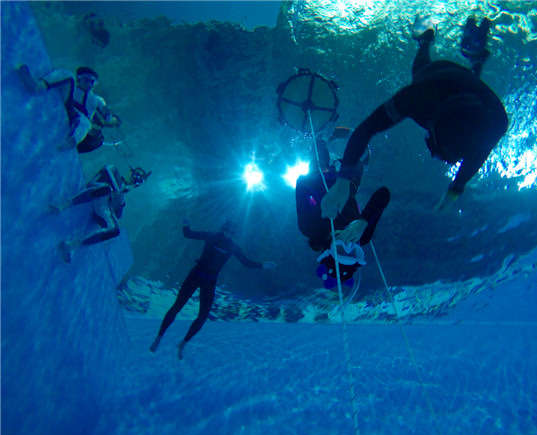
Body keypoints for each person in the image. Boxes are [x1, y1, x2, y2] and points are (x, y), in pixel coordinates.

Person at [321, 16, 508, 218]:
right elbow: (366, 129)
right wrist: (342, 181)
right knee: (420, 69)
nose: (435, 157)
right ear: (432, 126)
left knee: (470, 81)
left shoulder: (494, 126)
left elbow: (476, 157)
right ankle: (426, 40)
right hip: (435, 75)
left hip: (474, 92)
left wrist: (455, 190)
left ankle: (472, 59)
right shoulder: (416, 98)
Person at [149, 219, 277, 359]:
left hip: (209, 282)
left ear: (234, 232)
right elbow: (189, 234)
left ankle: (183, 344)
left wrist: (263, 265)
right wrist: (185, 225)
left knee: (203, 317)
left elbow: (246, 262)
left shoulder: (233, 246)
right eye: (227, 228)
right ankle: (159, 338)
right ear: (223, 228)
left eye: (231, 230)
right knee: (177, 307)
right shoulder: (211, 236)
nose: (228, 231)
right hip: (196, 275)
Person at [296, 126, 390, 288]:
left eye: (340, 250)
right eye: (353, 252)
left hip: (319, 177)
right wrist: (363, 222)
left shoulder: (309, 228)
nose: (348, 245)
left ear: (329, 249)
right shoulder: (362, 236)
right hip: (350, 183)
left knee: (318, 152)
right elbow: (384, 194)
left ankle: (321, 138)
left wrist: (327, 188)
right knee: (359, 162)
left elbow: (300, 183)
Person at [50, 165, 151, 262]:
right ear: (130, 171)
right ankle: (62, 206)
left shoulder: (121, 197)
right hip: (95, 191)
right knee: (106, 189)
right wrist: (117, 190)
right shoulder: (114, 171)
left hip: (102, 206)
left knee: (115, 231)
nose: (134, 179)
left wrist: (121, 203)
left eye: (138, 180)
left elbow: (118, 216)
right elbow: (106, 170)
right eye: (136, 175)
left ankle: (72, 245)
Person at [17, 64, 121, 152]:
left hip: (81, 117)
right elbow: (63, 81)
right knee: (67, 74)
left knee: (85, 123)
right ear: (79, 78)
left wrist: (108, 114)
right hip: (69, 105)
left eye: (92, 82)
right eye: (86, 80)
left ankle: (72, 141)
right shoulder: (72, 85)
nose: (89, 84)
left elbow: (105, 113)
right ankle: (37, 85)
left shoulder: (96, 99)